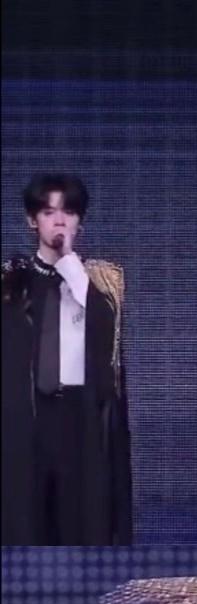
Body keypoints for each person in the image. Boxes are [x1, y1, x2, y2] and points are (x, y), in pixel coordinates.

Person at [1, 173, 132, 545]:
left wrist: (70, 263)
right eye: (48, 212)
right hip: (28, 418)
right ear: (33, 221)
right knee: (27, 520)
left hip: (79, 417)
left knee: (81, 520)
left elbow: (106, 330)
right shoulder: (12, 284)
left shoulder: (99, 282)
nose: (59, 221)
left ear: (80, 221)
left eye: (68, 213)